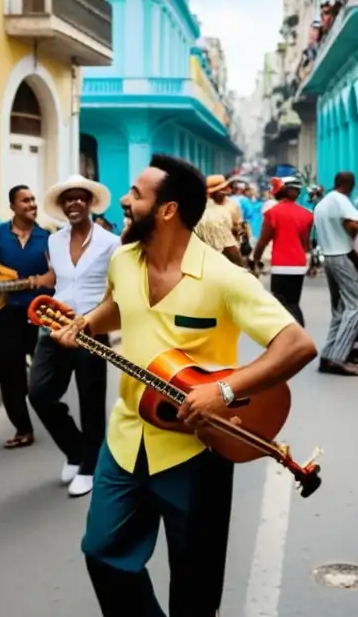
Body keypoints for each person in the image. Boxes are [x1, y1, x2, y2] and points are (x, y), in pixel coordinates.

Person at [50, 154, 317, 617]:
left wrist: (225, 391)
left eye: (136, 195)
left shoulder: (223, 277)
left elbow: (296, 344)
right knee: (102, 551)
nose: (126, 202)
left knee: (195, 585)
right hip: (127, 438)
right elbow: (116, 305)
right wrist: (86, 323)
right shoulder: (123, 260)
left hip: (198, 450)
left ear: (167, 210)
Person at [28, 176, 120, 498]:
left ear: (90, 203)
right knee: (38, 392)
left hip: (92, 328)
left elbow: (116, 290)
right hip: (54, 326)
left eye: (81, 198)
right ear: (63, 206)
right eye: (69, 200)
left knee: (90, 400)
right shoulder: (54, 242)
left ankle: (89, 467)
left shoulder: (111, 242)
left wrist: (105, 321)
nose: (74, 204)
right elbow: (58, 282)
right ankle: (76, 448)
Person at [0, 185, 52, 449]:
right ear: (12, 206)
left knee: (46, 370)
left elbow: (56, 271)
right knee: (9, 372)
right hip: (7, 313)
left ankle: (51, 415)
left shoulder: (46, 237)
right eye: (25, 200)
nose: (31, 204)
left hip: (41, 312)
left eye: (33, 199)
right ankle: (22, 427)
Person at [313, 171, 358, 376]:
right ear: (351, 185)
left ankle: (328, 355)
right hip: (341, 256)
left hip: (329, 258)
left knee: (340, 309)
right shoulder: (340, 200)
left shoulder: (323, 203)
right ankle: (339, 358)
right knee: (357, 304)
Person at [251, 176, 313, 326]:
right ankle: (298, 334)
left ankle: (294, 338)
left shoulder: (273, 213)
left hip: (280, 265)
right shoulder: (307, 215)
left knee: (279, 303)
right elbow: (306, 244)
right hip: (299, 265)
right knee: (293, 302)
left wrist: (255, 260)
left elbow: (263, 241)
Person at [194, 175, 244, 266]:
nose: (226, 191)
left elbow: (238, 227)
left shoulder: (233, 206)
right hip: (219, 257)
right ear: (211, 193)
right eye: (223, 189)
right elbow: (229, 246)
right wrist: (242, 266)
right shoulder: (212, 214)